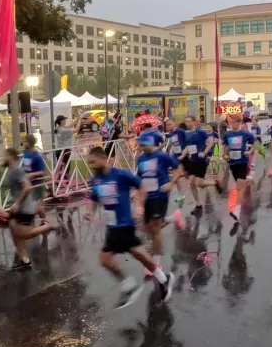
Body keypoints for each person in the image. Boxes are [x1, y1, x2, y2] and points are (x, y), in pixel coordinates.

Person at [84, 147, 176, 309]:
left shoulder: (121, 175)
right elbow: (94, 198)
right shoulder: (96, 179)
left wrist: (139, 206)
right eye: (89, 162)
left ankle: (130, 286)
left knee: (105, 258)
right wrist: (89, 211)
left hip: (124, 223)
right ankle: (163, 279)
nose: (91, 165)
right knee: (137, 253)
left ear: (104, 158)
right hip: (112, 226)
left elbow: (141, 187)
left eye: (93, 161)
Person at [135, 133, 183, 274]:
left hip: (160, 195)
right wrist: (136, 191)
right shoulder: (141, 158)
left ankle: (155, 264)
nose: (141, 147)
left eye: (143, 145)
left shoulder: (163, 156)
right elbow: (140, 176)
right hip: (147, 197)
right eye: (140, 144)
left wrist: (172, 183)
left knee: (155, 230)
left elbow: (178, 168)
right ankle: (173, 218)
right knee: (149, 227)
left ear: (152, 143)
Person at [3, 148, 55, 269]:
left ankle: (45, 227)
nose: (3, 158)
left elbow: (27, 187)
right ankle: (25, 261)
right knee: (13, 229)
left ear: (11, 157)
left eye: (5, 155)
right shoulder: (12, 170)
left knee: (22, 233)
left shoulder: (16, 170)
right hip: (19, 208)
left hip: (24, 209)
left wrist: (17, 203)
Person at [219, 114, 256, 222]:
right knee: (239, 184)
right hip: (232, 163)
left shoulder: (245, 134)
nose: (232, 124)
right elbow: (225, 146)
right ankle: (237, 209)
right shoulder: (228, 134)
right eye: (231, 122)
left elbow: (254, 143)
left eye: (234, 122)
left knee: (240, 186)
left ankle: (237, 210)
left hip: (242, 162)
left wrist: (249, 151)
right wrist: (224, 155)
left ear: (239, 122)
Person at [178, 115, 217, 215]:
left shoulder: (200, 132)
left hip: (200, 160)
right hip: (192, 160)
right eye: (186, 121)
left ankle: (215, 183)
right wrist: (183, 154)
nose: (187, 123)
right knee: (191, 182)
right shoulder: (187, 133)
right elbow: (188, 145)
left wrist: (204, 152)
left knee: (198, 183)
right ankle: (198, 205)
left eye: (189, 121)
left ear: (194, 122)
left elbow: (210, 142)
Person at [21, 134, 48, 225]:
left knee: (38, 206)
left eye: (25, 141)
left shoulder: (37, 156)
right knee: (28, 204)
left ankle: (44, 222)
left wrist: (32, 174)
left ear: (29, 142)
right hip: (28, 184)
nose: (23, 143)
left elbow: (43, 172)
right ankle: (29, 223)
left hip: (37, 184)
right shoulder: (25, 152)